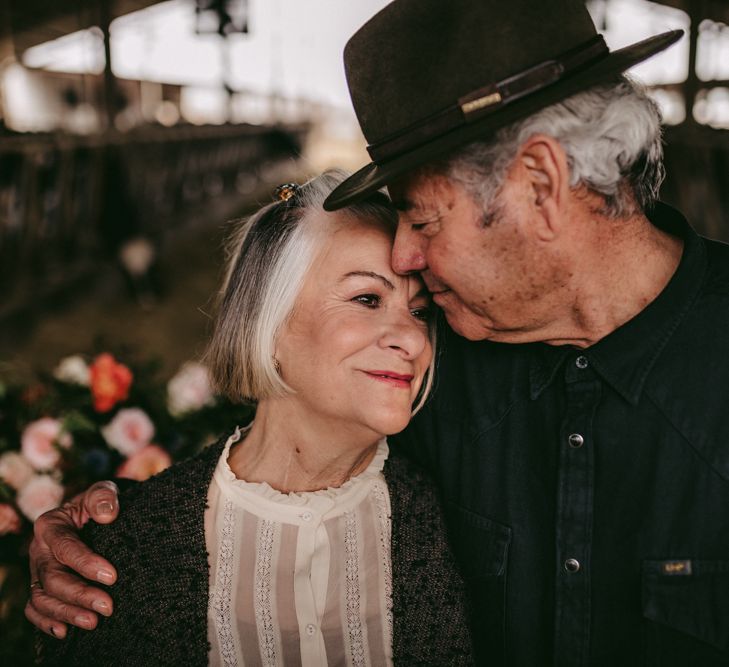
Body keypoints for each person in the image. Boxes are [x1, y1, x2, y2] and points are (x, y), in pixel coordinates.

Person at [26, 0, 729, 665]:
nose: (404, 256)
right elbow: (300, 433)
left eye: (421, 218)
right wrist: (128, 529)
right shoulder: (441, 355)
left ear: (539, 185)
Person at [35, 171, 474, 666]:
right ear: (269, 324)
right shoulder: (130, 544)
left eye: (420, 312)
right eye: (367, 299)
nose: (414, 341)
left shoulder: (449, 510)